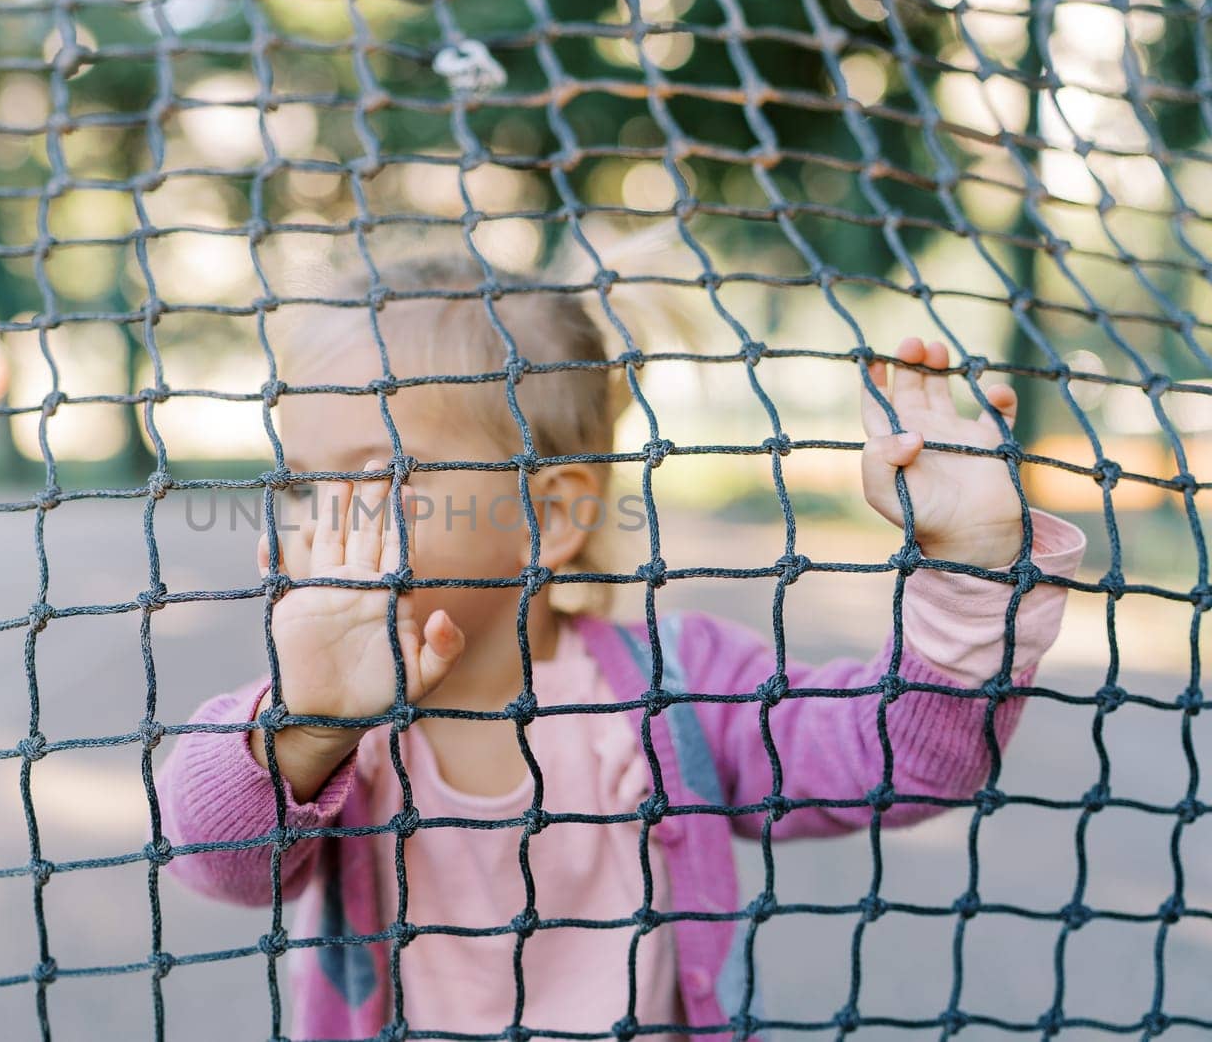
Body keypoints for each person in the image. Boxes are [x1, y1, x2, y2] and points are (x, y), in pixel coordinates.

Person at [155, 256, 1088, 1041]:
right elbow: (218, 863)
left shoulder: (676, 692)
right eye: (303, 483)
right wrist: (309, 728)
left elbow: (903, 762)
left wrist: (971, 570)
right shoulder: (328, 720)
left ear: (548, 512)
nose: (323, 524)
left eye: (375, 476)